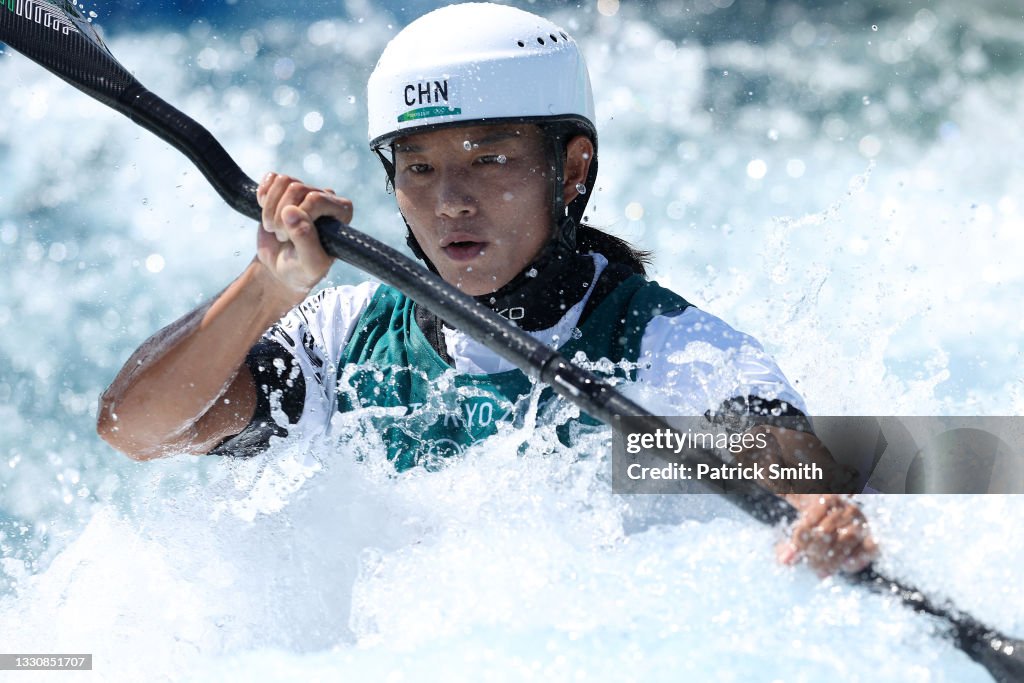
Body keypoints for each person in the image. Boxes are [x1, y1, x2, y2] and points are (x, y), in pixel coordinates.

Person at [97, 3, 876, 577]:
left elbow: (796, 467)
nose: (450, 202)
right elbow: (135, 429)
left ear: (570, 170)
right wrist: (267, 289)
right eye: (420, 168)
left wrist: (818, 515)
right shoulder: (343, 340)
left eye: (489, 158)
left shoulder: (668, 347)